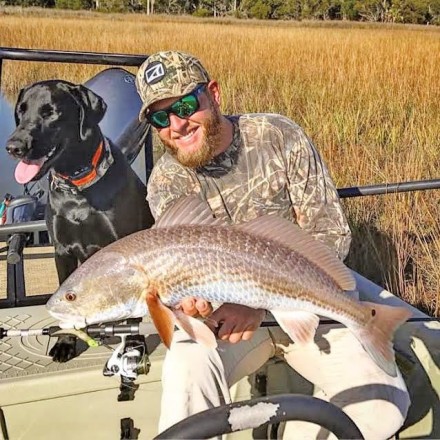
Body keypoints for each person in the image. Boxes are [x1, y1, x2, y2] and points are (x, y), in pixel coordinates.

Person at [135, 50, 410, 439]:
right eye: (160, 117)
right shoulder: (166, 182)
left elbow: (331, 234)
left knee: (384, 406)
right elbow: (182, 284)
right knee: (186, 372)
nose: (177, 124)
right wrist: (191, 302)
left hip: (309, 295)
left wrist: (259, 300)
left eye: (185, 104)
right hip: (225, 321)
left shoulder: (278, 135)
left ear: (213, 94)